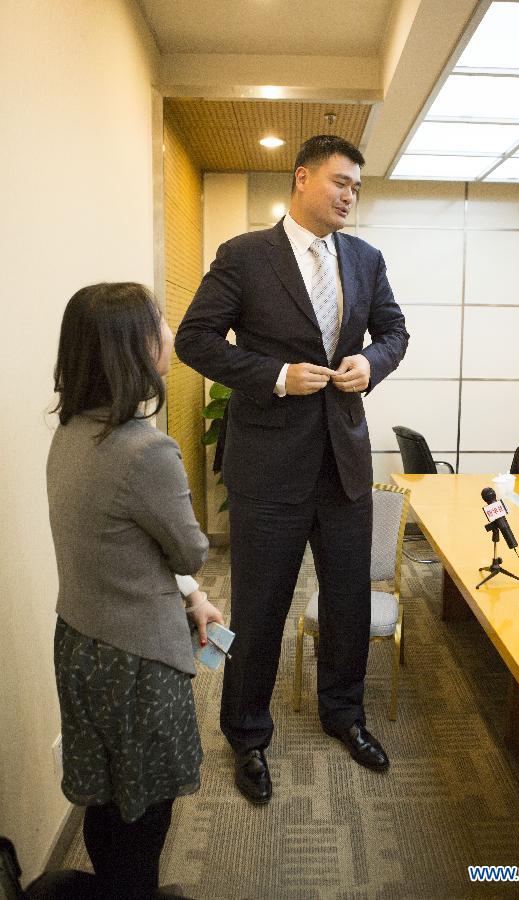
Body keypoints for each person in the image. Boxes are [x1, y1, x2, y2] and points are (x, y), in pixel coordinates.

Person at [175, 135, 409, 804]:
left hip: (343, 464)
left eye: (356, 187)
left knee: (347, 602)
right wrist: (275, 375)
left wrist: (375, 362)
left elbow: (395, 330)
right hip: (268, 468)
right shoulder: (245, 256)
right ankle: (247, 734)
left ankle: (345, 714)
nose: (348, 195)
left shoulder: (366, 259)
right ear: (302, 178)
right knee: (260, 606)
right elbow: (195, 339)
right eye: (339, 181)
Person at [47, 282, 223, 899]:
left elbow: (119, 550)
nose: (171, 336)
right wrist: (195, 584)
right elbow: (191, 549)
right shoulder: (147, 449)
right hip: (136, 663)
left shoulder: (70, 433)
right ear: (130, 348)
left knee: (106, 800)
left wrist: (191, 597)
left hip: (80, 644)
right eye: (160, 326)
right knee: (146, 814)